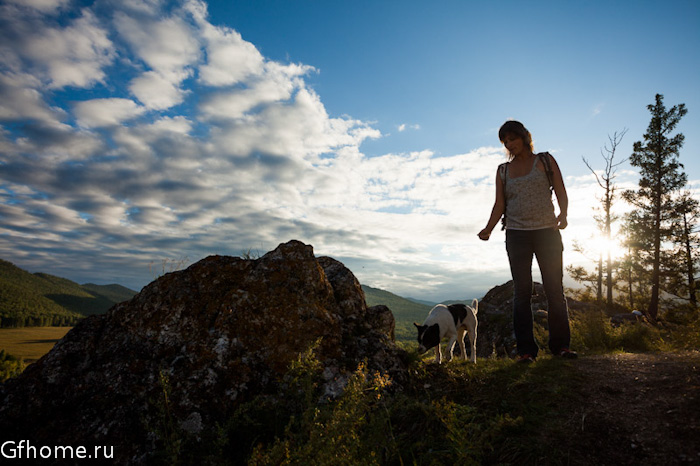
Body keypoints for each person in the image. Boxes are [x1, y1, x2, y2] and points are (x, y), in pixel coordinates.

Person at [478, 120, 577, 363]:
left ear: (524, 137)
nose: (510, 144)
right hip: (517, 235)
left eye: (512, 138)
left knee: (554, 289)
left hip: (547, 233)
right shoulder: (503, 171)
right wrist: (488, 228)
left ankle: (561, 347)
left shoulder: (544, 161)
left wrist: (563, 214)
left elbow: (561, 190)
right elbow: (499, 204)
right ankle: (526, 351)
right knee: (521, 293)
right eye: (505, 141)